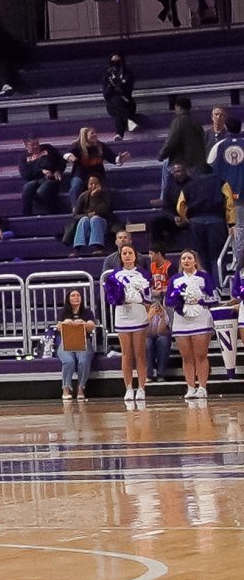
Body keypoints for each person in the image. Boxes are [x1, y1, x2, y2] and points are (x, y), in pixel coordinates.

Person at [103, 240, 154, 407]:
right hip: (122, 314)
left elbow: (149, 297)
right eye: (124, 253)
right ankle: (128, 387)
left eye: (130, 253)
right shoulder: (114, 275)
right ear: (120, 256)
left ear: (135, 256)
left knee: (140, 352)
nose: (127, 256)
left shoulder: (144, 274)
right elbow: (109, 297)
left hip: (138, 312)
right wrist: (119, 297)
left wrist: (140, 296)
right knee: (126, 353)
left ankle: (141, 387)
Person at [167, 248, 215, 403]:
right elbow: (168, 300)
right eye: (183, 259)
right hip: (182, 319)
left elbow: (215, 296)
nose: (186, 261)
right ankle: (190, 387)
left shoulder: (204, 277)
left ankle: (202, 387)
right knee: (186, 356)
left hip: (201, 317)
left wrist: (200, 300)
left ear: (195, 261)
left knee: (201, 354)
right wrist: (178, 300)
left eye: (189, 258)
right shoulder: (174, 279)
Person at [159, 95, 208, 206]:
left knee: (166, 166)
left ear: (178, 107)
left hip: (184, 162)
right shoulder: (197, 123)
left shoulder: (178, 122)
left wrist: (161, 155)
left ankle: (163, 198)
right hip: (198, 163)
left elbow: (171, 142)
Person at [56, 285, 98, 403]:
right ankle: (66, 388)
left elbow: (91, 326)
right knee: (69, 361)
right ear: (68, 298)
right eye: (73, 295)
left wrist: (84, 323)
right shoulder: (63, 312)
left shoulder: (87, 312)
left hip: (83, 343)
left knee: (84, 360)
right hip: (66, 343)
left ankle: (81, 388)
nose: (76, 297)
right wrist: (65, 323)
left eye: (78, 295)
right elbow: (59, 326)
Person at [103, 53, 140, 138]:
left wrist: (119, 85)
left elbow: (128, 91)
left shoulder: (128, 74)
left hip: (127, 104)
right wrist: (112, 87)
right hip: (112, 105)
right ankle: (128, 121)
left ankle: (119, 134)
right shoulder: (107, 76)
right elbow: (106, 95)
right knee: (116, 100)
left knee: (118, 110)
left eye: (117, 57)